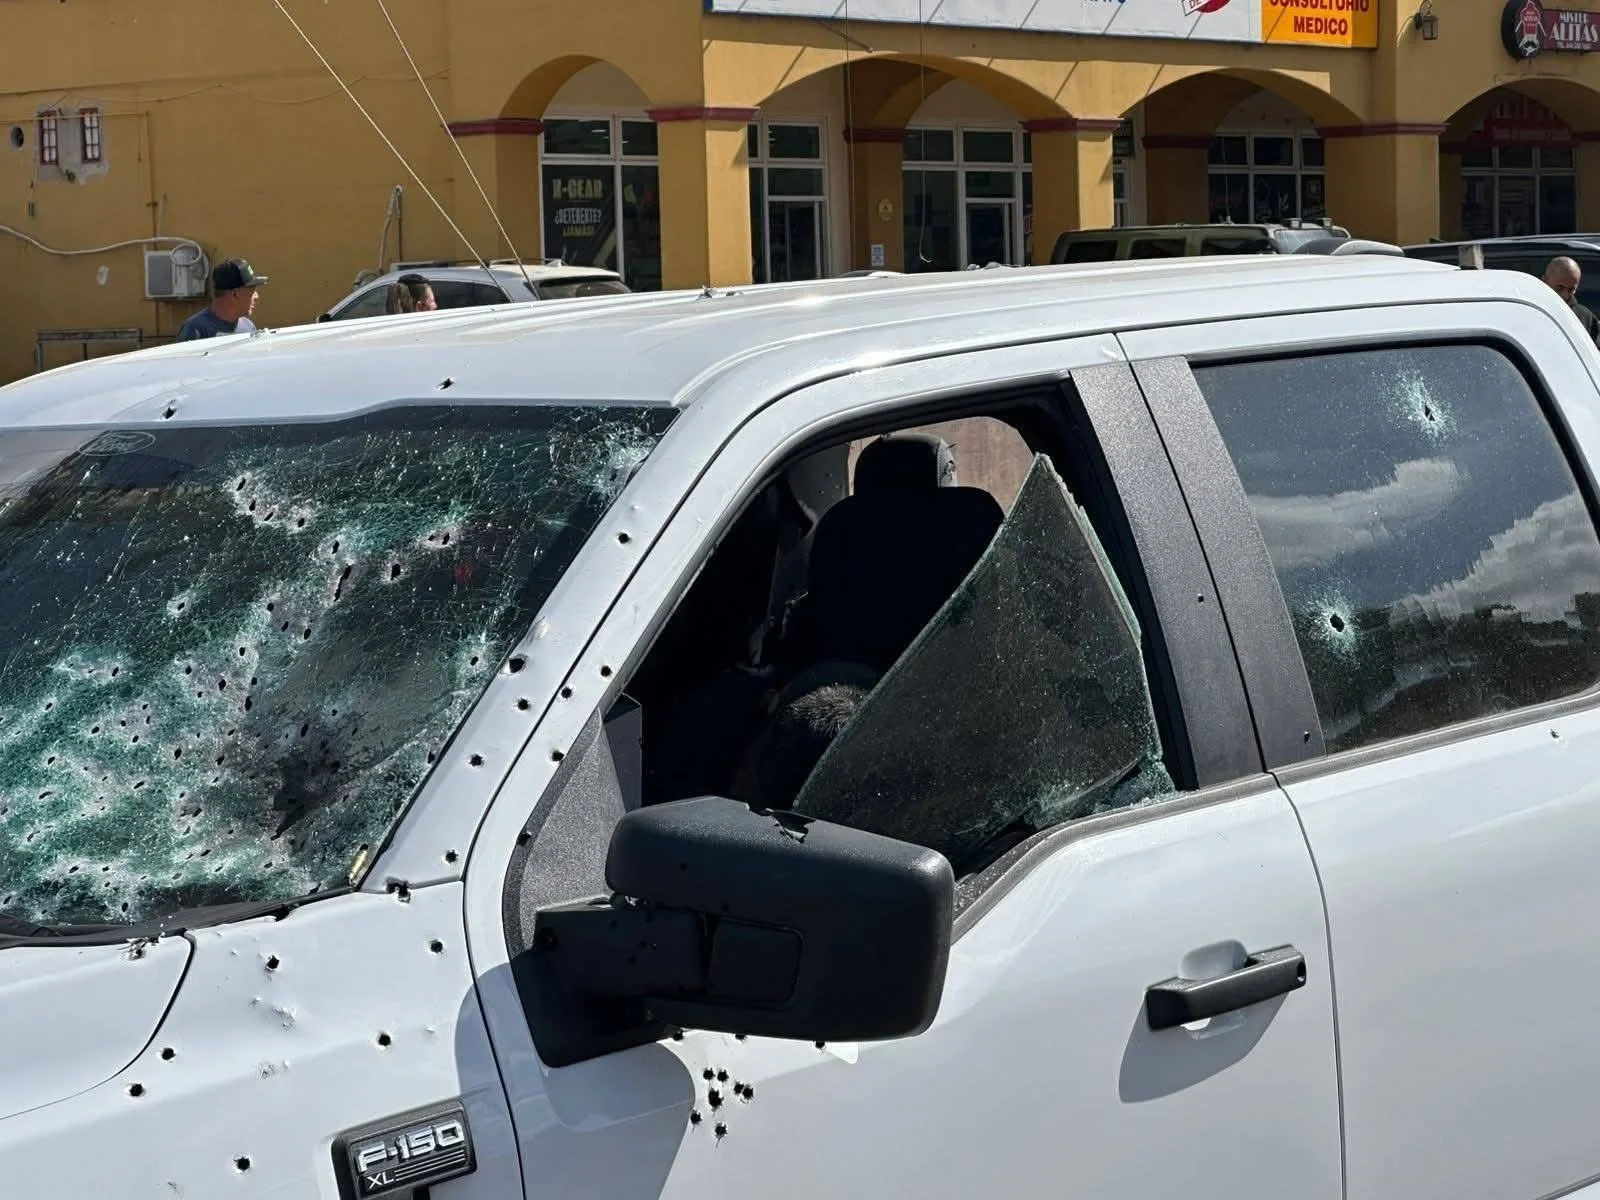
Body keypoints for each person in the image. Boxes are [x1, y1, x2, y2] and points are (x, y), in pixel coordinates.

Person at [177, 258, 268, 341]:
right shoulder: (195, 330)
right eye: (252, 291)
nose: (256, 296)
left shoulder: (248, 327)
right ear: (235, 294)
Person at [1543, 257, 1600, 344]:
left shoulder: (1585, 317)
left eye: (1571, 289)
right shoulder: (1530, 311)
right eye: (1559, 288)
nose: (1565, 295)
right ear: (1544, 281)